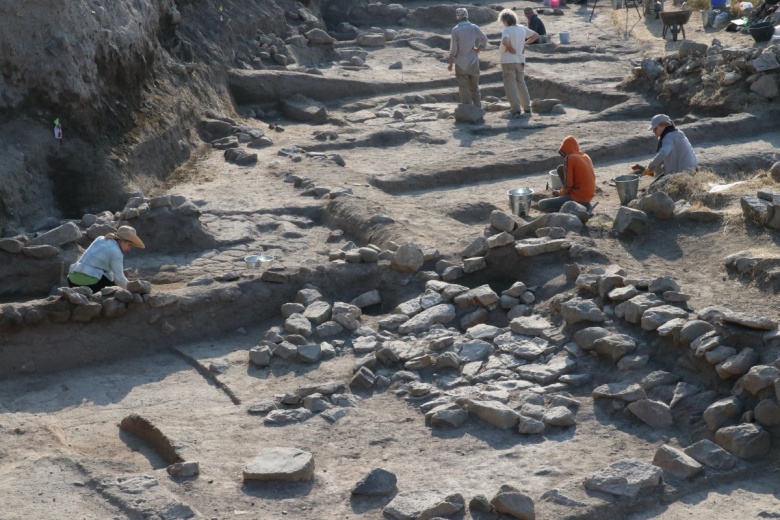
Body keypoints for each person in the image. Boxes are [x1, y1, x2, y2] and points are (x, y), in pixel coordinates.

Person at [68, 225, 145, 292]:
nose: (129, 249)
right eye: (129, 245)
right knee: (113, 283)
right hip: (90, 284)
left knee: (108, 274)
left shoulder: (100, 238)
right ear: (123, 241)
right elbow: (119, 278)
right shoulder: (116, 252)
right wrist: (132, 290)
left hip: (71, 280)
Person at [539, 136, 596, 212]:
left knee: (542, 204)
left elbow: (569, 185)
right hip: (588, 197)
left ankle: (571, 209)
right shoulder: (586, 156)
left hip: (577, 197)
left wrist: (559, 193)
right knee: (560, 168)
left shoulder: (569, 158)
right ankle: (585, 205)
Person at [499, 9, 539, 117]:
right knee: (521, 83)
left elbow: (505, 41)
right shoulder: (522, 28)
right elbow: (535, 35)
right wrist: (524, 44)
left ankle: (515, 109)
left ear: (505, 20)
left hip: (508, 60)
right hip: (520, 59)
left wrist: (509, 47)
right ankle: (527, 108)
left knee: (510, 85)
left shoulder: (507, 30)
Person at [632, 114, 697, 178]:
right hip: (687, 169)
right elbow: (663, 157)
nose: (653, 131)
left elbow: (663, 152)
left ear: (663, 126)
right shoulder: (672, 134)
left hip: (685, 172)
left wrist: (650, 166)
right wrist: (652, 168)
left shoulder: (670, 136)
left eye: (655, 128)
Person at [448, 8, 489, 107]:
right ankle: (478, 106)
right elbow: (484, 38)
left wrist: (451, 63)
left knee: (463, 87)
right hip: (473, 60)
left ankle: (467, 107)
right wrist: (479, 48)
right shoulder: (474, 27)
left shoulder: (455, 30)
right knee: (474, 87)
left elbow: (453, 49)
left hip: (460, 62)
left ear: (457, 16)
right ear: (467, 15)